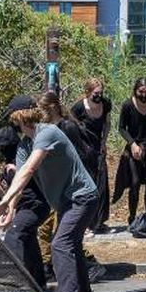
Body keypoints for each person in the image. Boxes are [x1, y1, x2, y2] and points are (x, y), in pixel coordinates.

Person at [0, 107, 99, 292]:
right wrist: (8, 210)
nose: (13, 125)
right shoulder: (24, 146)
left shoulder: (47, 133)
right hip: (67, 203)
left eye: (13, 120)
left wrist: (4, 200)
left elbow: (30, 169)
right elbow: (20, 181)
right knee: (71, 246)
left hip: (82, 197)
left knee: (60, 245)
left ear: (20, 118)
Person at [35, 92, 104, 278]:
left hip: (73, 189)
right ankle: (52, 265)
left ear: (53, 107)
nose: (40, 114)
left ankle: (88, 264)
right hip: (59, 189)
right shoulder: (49, 129)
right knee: (50, 231)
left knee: (63, 236)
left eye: (43, 110)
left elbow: (78, 159)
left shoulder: (67, 127)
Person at [0, 95, 52, 292]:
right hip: (30, 204)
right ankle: (37, 286)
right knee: (27, 240)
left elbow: (25, 176)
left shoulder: (40, 139)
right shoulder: (22, 148)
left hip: (38, 203)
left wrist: (8, 213)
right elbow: (18, 183)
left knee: (16, 234)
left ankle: (19, 278)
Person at [113, 78, 146, 225]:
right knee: (135, 182)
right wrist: (132, 144)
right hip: (134, 148)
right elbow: (121, 128)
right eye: (141, 92)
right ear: (135, 91)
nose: (144, 95)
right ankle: (132, 217)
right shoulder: (128, 105)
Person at [70, 77, 113, 233]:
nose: (99, 95)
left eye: (101, 92)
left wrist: (104, 141)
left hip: (98, 147)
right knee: (88, 185)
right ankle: (86, 222)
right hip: (83, 150)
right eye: (96, 93)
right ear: (88, 92)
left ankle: (99, 221)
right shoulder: (78, 108)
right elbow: (70, 125)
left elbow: (107, 123)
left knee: (101, 184)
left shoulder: (106, 104)